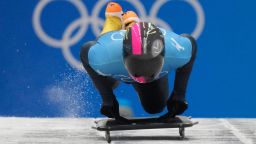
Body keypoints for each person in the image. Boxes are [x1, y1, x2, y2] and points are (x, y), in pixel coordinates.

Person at [80, 2, 197, 121]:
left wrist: (179, 94)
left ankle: (131, 24)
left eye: (151, 65)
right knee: (109, 83)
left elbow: (191, 43)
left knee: (155, 107)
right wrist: (107, 98)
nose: (143, 73)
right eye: (138, 65)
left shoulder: (176, 50)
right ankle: (113, 22)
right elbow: (86, 50)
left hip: (119, 62)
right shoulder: (105, 58)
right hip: (115, 56)